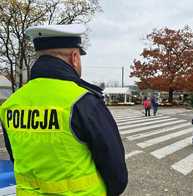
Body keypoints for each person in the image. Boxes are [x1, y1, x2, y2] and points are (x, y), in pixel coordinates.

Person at [0, 24, 128, 195]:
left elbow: (14, 156)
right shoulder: (83, 101)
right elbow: (115, 170)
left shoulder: (11, 104)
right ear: (74, 57)